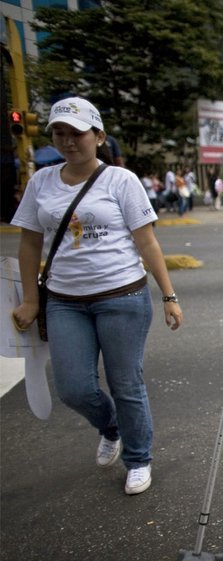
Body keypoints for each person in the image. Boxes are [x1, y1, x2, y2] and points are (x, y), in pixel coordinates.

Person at [10, 96, 183, 495]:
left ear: (98, 136)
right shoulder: (41, 182)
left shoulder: (121, 181)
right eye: (60, 133)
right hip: (65, 301)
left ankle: (138, 457)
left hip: (122, 296)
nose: (68, 141)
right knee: (73, 387)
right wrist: (32, 301)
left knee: (127, 384)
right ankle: (111, 426)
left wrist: (169, 296)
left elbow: (147, 242)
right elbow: (30, 244)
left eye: (77, 133)